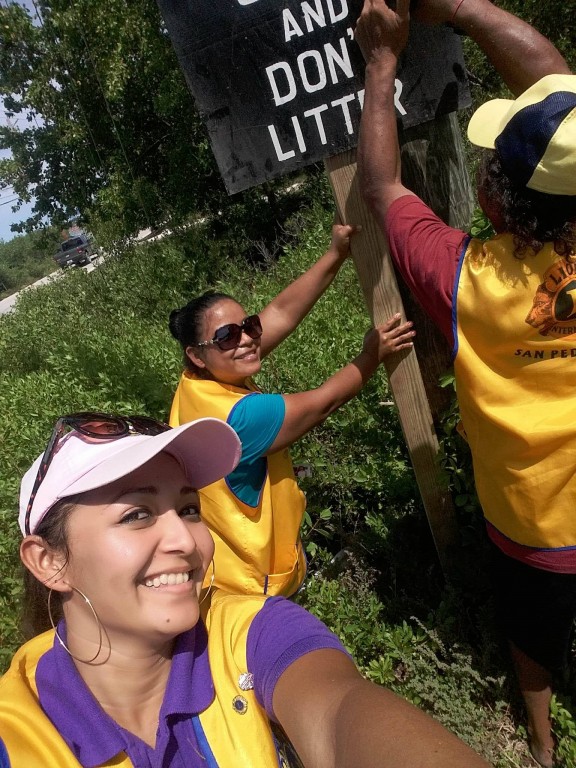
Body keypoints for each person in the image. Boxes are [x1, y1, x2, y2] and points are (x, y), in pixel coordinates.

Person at [0, 411, 492, 768]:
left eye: (189, 509)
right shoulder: (17, 730)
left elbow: (337, 712)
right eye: (136, 514)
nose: (185, 540)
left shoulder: (253, 633)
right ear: (49, 562)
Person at [354, 0, 575, 765]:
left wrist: (381, 62)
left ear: (496, 198)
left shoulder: (465, 280)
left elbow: (383, 188)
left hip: (536, 527)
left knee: (533, 631)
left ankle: (541, 746)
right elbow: (557, 81)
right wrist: (461, 6)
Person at [168, 223, 415, 597]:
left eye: (248, 326)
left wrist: (335, 254)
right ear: (197, 354)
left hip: (221, 570)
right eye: (226, 336)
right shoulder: (243, 418)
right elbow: (324, 402)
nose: (246, 340)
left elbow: (281, 312)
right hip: (257, 585)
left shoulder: (196, 383)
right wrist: (372, 354)